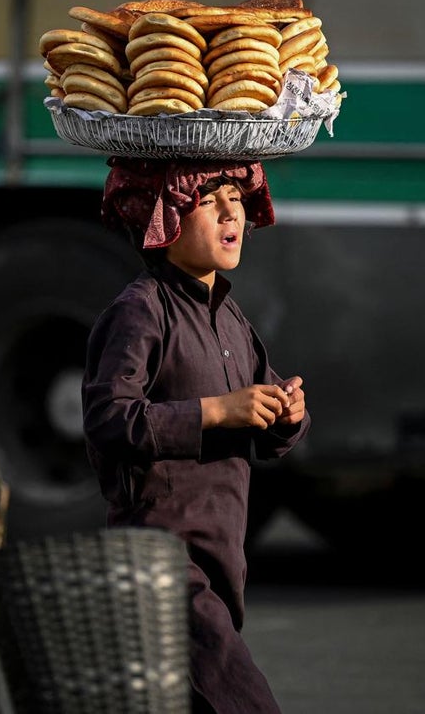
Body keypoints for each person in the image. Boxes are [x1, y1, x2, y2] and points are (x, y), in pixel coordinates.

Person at [82, 156, 312, 713]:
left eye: (236, 198)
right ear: (165, 219)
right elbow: (109, 419)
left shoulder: (232, 319)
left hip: (220, 559)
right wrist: (215, 412)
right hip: (158, 560)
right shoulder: (140, 311)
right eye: (209, 201)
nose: (232, 212)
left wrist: (289, 413)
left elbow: (263, 424)